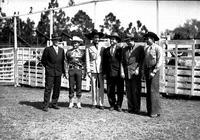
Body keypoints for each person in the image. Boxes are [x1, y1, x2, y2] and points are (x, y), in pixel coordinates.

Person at [41, 33, 66, 112]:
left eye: (57, 40)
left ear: (59, 41)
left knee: (57, 88)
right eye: (54, 40)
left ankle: (54, 103)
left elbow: (63, 62)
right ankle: (46, 105)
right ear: (52, 41)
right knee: (48, 88)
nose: (56, 41)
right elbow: (43, 61)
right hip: (50, 72)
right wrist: (48, 68)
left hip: (58, 72)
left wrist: (63, 72)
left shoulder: (62, 50)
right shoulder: (47, 49)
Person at [122, 37, 145, 114]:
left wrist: (138, 69)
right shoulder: (125, 49)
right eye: (127, 41)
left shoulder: (139, 48)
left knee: (136, 91)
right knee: (129, 91)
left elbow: (142, 60)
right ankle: (130, 107)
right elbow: (123, 61)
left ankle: (137, 108)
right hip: (127, 72)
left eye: (130, 40)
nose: (129, 42)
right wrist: (123, 71)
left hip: (135, 72)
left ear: (133, 40)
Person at [102, 32, 124, 112]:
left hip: (118, 73)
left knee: (120, 90)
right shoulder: (106, 50)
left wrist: (122, 72)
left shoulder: (120, 50)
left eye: (114, 39)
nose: (112, 40)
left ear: (117, 41)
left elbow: (122, 61)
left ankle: (119, 105)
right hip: (109, 73)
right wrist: (104, 72)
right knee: (110, 90)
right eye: (111, 39)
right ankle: (112, 104)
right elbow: (104, 62)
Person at [143, 31, 163, 117]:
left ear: (153, 39)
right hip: (147, 69)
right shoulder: (146, 49)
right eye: (146, 38)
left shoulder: (158, 48)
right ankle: (150, 110)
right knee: (148, 91)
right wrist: (144, 72)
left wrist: (154, 71)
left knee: (153, 90)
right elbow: (145, 61)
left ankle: (155, 111)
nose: (146, 40)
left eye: (148, 38)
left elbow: (160, 60)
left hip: (154, 70)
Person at [85, 29, 105, 110]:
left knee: (101, 87)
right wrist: (88, 70)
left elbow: (104, 58)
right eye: (95, 37)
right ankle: (94, 103)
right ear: (92, 38)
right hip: (93, 69)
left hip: (101, 69)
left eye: (98, 37)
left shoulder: (103, 46)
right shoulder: (88, 46)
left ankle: (101, 103)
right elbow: (87, 59)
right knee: (93, 86)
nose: (96, 39)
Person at [65, 36, 85, 109]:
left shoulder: (82, 52)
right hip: (71, 70)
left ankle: (78, 102)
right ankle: (71, 102)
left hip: (79, 70)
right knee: (71, 86)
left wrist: (84, 72)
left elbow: (84, 63)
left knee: (79, 86)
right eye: (73, 43)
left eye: (76, 43)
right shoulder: (68, 52)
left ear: (79, 44)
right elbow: (66, 62)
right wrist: (66, 72)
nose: (75, 44)